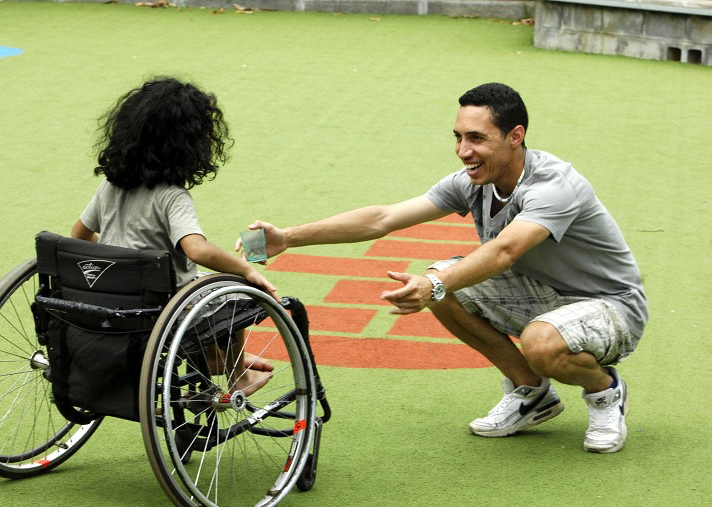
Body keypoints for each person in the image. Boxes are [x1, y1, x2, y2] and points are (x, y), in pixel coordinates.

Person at [239, 83, 647, 453]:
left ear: (515, 136)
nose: (463, 150)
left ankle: (604, 391)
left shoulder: (554, 185)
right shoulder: (473, 181)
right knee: (447, 285)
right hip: (541, 294)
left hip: (610, 306)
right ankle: (532, 393)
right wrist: (289, 237)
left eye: (476, 138)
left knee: (531, 336)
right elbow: (383, 218)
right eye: (459, 137)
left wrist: (434, 282)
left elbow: (505, 251)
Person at [72, 77, 278, 396]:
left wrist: (115, 267)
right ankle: (237, 372)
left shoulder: (110, 186)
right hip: (163, 308)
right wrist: (246, 270)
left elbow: (79, 234)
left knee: (199, 284)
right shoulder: (172, 196)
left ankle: (214, 358)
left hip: (113, 301)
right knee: (234, 290)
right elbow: (196, 250)